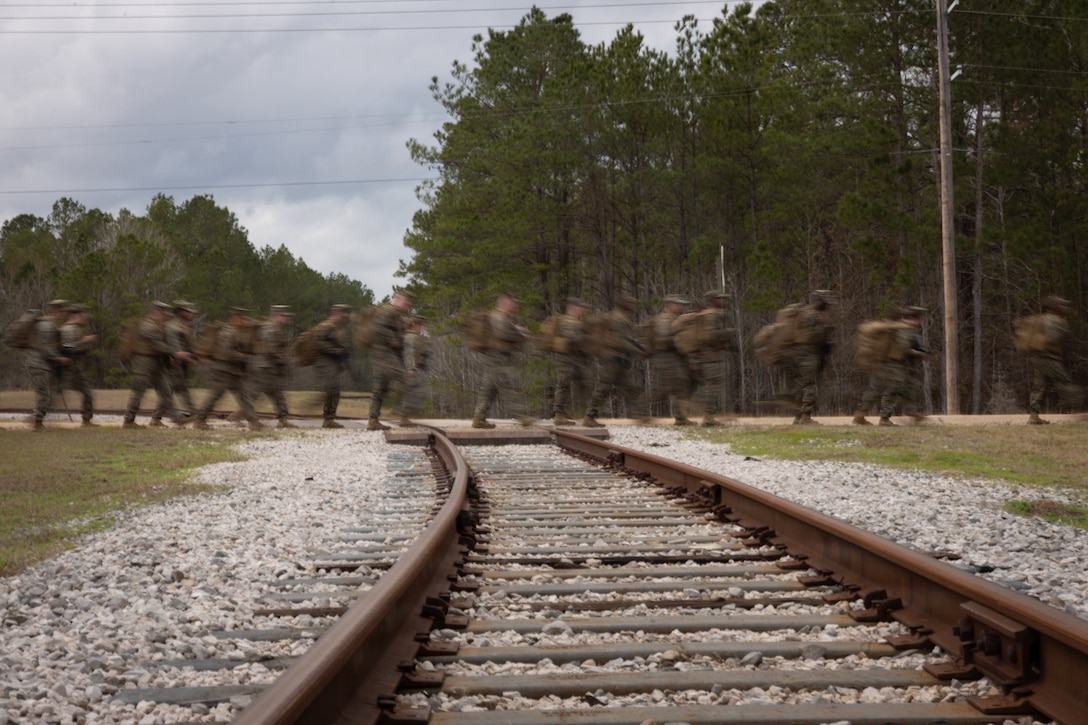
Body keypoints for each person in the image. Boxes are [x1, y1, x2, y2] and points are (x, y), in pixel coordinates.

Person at [188, 307, 263, 430]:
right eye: (242, 318)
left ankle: (254, 421)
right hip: (223, 370)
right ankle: (199, 420)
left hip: (233, 371)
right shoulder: (227, 332)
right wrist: (242, 356)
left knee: (244, 396)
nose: (245, 321)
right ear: (235, 318)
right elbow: (226, 351)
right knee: (216, 396)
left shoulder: (235, 331)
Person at [583, 294, 649, 427]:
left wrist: (640, 347)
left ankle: (639, 415)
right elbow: (622, 341)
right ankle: (589, 416)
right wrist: (640, 351)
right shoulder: (618, 319)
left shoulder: (621, 318)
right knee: (603, 387)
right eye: (631, 304)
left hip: (619, 358)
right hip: (611, 357)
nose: (633, 306)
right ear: (625, 305)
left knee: (630, 387)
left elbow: (628, 340)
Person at [123, 301, 190, 429]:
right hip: (144, 362)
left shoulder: (160, 326)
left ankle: (164, 418)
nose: (166, 316)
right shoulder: (146, 326)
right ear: (156, 312)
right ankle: (128, 421)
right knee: (139, 391)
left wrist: (172, 355)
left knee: (167, 390)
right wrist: (175, 353)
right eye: (164, 313)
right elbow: (157, 344)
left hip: (157, 363)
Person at [472, 292, 531, 429]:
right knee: (510, 386)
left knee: (489, 390)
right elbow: (502, 333)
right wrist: (519, 333)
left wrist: (515, 329)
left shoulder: (500, 317)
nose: (516, 305)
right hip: (497, 357)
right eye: (513, 302)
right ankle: (522, 416)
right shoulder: (498, 317)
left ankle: (479, 418)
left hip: (496, 357)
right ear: (506, 303)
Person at [1025, 296, 1082, 424]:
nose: (1065, 308)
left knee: (1039, 387)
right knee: (1065, 382)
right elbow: (1053, 338)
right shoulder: (1054, 320)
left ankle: (1034, 416)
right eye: (1063, 305)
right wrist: (1062, 329)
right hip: (1049, 358)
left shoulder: (1043, 318)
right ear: (1056, 307)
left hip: (1039, 357)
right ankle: (1081, 408)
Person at [782, 290, 834, 424]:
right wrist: (825, 327)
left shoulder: (804, 313)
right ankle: (805, 417)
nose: (827, 306)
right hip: (807, 354)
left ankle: (799, 416)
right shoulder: (811, 315)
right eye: (825, 303)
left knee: (802, 385)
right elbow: (810, 336)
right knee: (809, 385)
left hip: (800, 353)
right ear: (819, 301)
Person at [686, 291, 736, 427]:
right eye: (720, 299)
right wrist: (728, 332)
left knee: (712, 386)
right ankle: (702, 412)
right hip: (710, 357)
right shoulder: (710, 316)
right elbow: (710, 336)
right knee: (713, 386)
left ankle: (707, 415)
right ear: (713, 300)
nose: (723, 301)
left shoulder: (705, 315)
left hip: (707, 356)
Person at [367, 289, 415, 430]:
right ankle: (403, 417)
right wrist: (392, 340)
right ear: (399, 299)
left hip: (383, 354)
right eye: (407, 301)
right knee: (405, 381)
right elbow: (378, 328)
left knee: (380, 388)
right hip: (385, 354)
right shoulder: (388, 311)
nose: (409, 305)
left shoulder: (394, 315)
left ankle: (373, 420)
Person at [647, 295, 695, 425]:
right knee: (666, 390)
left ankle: (681, 417)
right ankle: (639, 409)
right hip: (666, 358)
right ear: (669, 305)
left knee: (681, 387)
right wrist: (679, 341)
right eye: (678, 304)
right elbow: (663, 340)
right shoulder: (664, 320)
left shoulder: (674, 319)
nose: (681, 307)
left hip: (675, 358)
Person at [27, 300, 70, 431]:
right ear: (57, 311)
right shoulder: (47, 326)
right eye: (62, 311)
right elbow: (45, 348)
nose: (64, 314)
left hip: (42, 365)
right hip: (38, 364)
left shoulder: (52, 325)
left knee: (44, 394)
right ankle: (37, 423)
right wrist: (59, 359)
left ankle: (36, 420)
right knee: (44, 394)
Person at [253, 305, 296, 428]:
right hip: (264, 367)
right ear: (276, 316)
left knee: (277, 393)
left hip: (271, 367)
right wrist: (280, 357)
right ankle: (246, 417)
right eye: (284, 315)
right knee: (256, 394)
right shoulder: (269, 329)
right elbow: (269, 347)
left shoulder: (276, 329)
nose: (287, 318)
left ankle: (283, 420)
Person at [313, 304, 353, 428]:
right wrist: (334, 350)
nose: (345, 318)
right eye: (343, 315)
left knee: (334, 390)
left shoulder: (339, 329)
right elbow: (318, 341)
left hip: (333, 363)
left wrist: (342, 359)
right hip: (324, 362)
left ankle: (329, 419)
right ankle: (327, 418)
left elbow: (341, 346)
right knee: (331, 388)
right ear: (336, 314)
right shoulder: (326, 326)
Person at [59, 303, 98, 427]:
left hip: (76, 368)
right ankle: (38, 419)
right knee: (52, 394)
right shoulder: (68, 330)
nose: (85, 317)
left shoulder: (76, 329)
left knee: (87, 393)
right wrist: (84, 341)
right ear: (76, 315)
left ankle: (86, 420)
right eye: (83, 314)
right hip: (69, 369)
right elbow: (68, 348)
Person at [550, 297, 588, 426]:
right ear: (573, 307)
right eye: (580, 307)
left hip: (571, 358)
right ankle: (558, 414)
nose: (582, 310)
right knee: (563, 385)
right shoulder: (569, 322)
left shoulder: (573, 322)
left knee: (569, 385)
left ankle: (562, 411)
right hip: (565, 359)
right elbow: (573, 338)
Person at [165, 300, 199, 416]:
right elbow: (175, 351)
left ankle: (156, 417)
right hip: (174, 363)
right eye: (188, 312)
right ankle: (193, 412)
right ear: (180, 312)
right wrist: (191, 359)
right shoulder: (173, 327)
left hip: (182, 363)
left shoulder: (183, 327)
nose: (191, 314)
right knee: (180, 388)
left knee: (172, 389)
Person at [402, 314, 430, 424]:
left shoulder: (415, 337)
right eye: (420, 325)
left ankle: (405, 416)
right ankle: (404, 417)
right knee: (411, 392)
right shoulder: (410, 337)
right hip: (411, 369)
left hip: (415, 368)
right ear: (415, 325)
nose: (422, 327)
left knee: (414, 391)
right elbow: (408, 353)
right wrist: (410, 368)